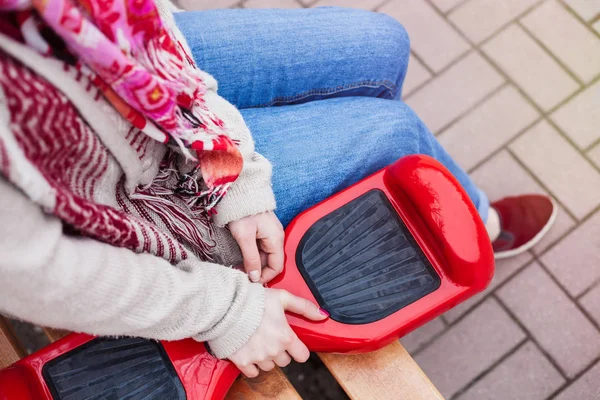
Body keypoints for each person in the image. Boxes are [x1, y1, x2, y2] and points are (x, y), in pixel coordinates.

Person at [0, 0, 555, 378]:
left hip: (111, 69)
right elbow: (32, 271)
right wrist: (222, 312)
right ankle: (475, 222)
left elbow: (145, 31)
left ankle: (382, 188)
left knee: (379, 42)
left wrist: (234, 170)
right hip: (126, 209)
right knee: (395, 131)